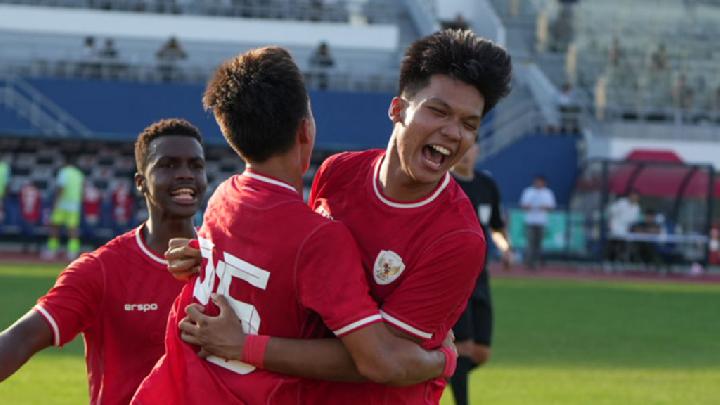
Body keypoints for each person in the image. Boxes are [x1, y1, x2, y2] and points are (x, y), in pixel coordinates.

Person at [162, 29, 513, 404]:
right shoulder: (339, 173)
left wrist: (244, 346)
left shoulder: (457, 239)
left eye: (469, 124)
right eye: (438, 110)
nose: (452, 132)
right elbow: (296, 265)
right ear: (398, 109)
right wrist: (218, 254)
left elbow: (382, 362)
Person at [0, 118, 208, 405]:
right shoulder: (100, 270)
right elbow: (22, 338)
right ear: (140, 183)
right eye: (168, 165)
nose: (186, 174)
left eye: (196, 166)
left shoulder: (226, 260)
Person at [448, 143, 512, 405]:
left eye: (471, 146)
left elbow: (496, 226)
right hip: (453, 277)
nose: (466, 151)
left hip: (481, 277)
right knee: (461, 347)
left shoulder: (487, 184)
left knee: (480, 352)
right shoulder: (445, 184)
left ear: (477, 150)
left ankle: (428, 377)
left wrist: (506, 248)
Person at [43, 158, 85, 260]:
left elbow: (61, 188)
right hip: (74, 206)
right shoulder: (79, 174)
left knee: (55, 226)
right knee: (73, 228)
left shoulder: (64, 172)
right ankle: (72, 252)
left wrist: (55, 202)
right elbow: (82, 191)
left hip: (62, 204)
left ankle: (52, 250)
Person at [519, 175, 556, 269]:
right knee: (530, 243)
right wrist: (529, 206)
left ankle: (536, 262)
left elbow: (552, 207)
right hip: (530, 221)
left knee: (538, 244)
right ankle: (528, 262)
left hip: (542, 222)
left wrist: (544, 207)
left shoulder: (548, 193)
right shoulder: (528, 191)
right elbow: (523, 205)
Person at [605, 191, 641, 264]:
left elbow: (633, 222)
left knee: (626, 246)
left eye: (636, 196)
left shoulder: (637, 207)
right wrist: (610, 224)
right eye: (633, 195)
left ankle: (622, 262)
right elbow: (611, 212)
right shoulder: (621, 203)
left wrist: (631, 228)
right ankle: (609, 261)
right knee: (613, 245)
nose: (634, 198)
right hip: (614, 228)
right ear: (629, 196)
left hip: (626, 232)